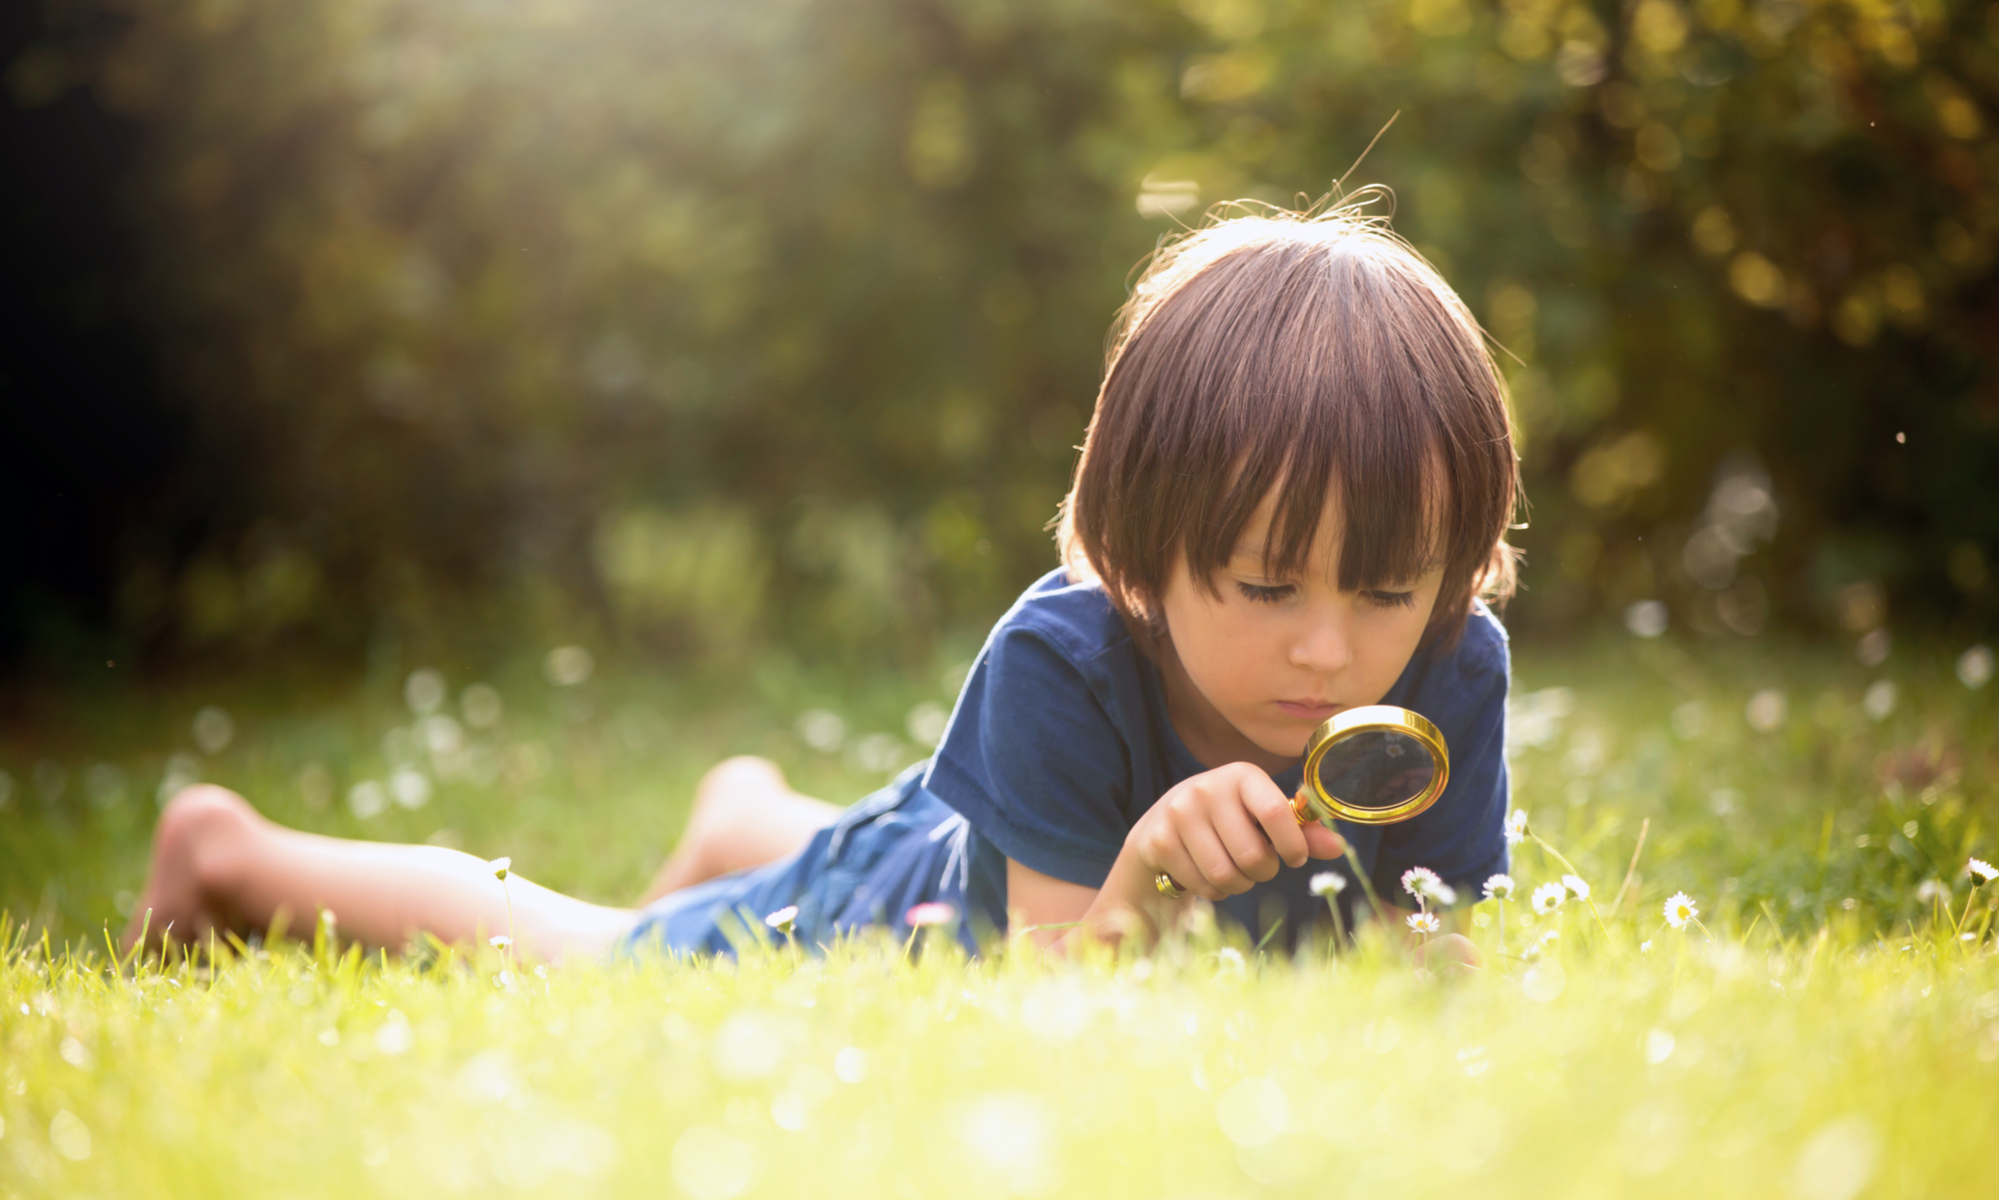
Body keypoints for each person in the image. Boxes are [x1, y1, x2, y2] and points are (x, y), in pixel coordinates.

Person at [123, 199, 1520, 965]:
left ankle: (749, 814)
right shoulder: (1068, 659)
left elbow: (1431, 953)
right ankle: (235, 855)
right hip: (914, 912)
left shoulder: (1453, 671)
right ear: (1148, 558)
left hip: (963, 831)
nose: (1332, 652)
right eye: (1268, 590)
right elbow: (1049, 1017)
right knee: (607, 965)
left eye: (1389, 592)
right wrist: (1147, 877)